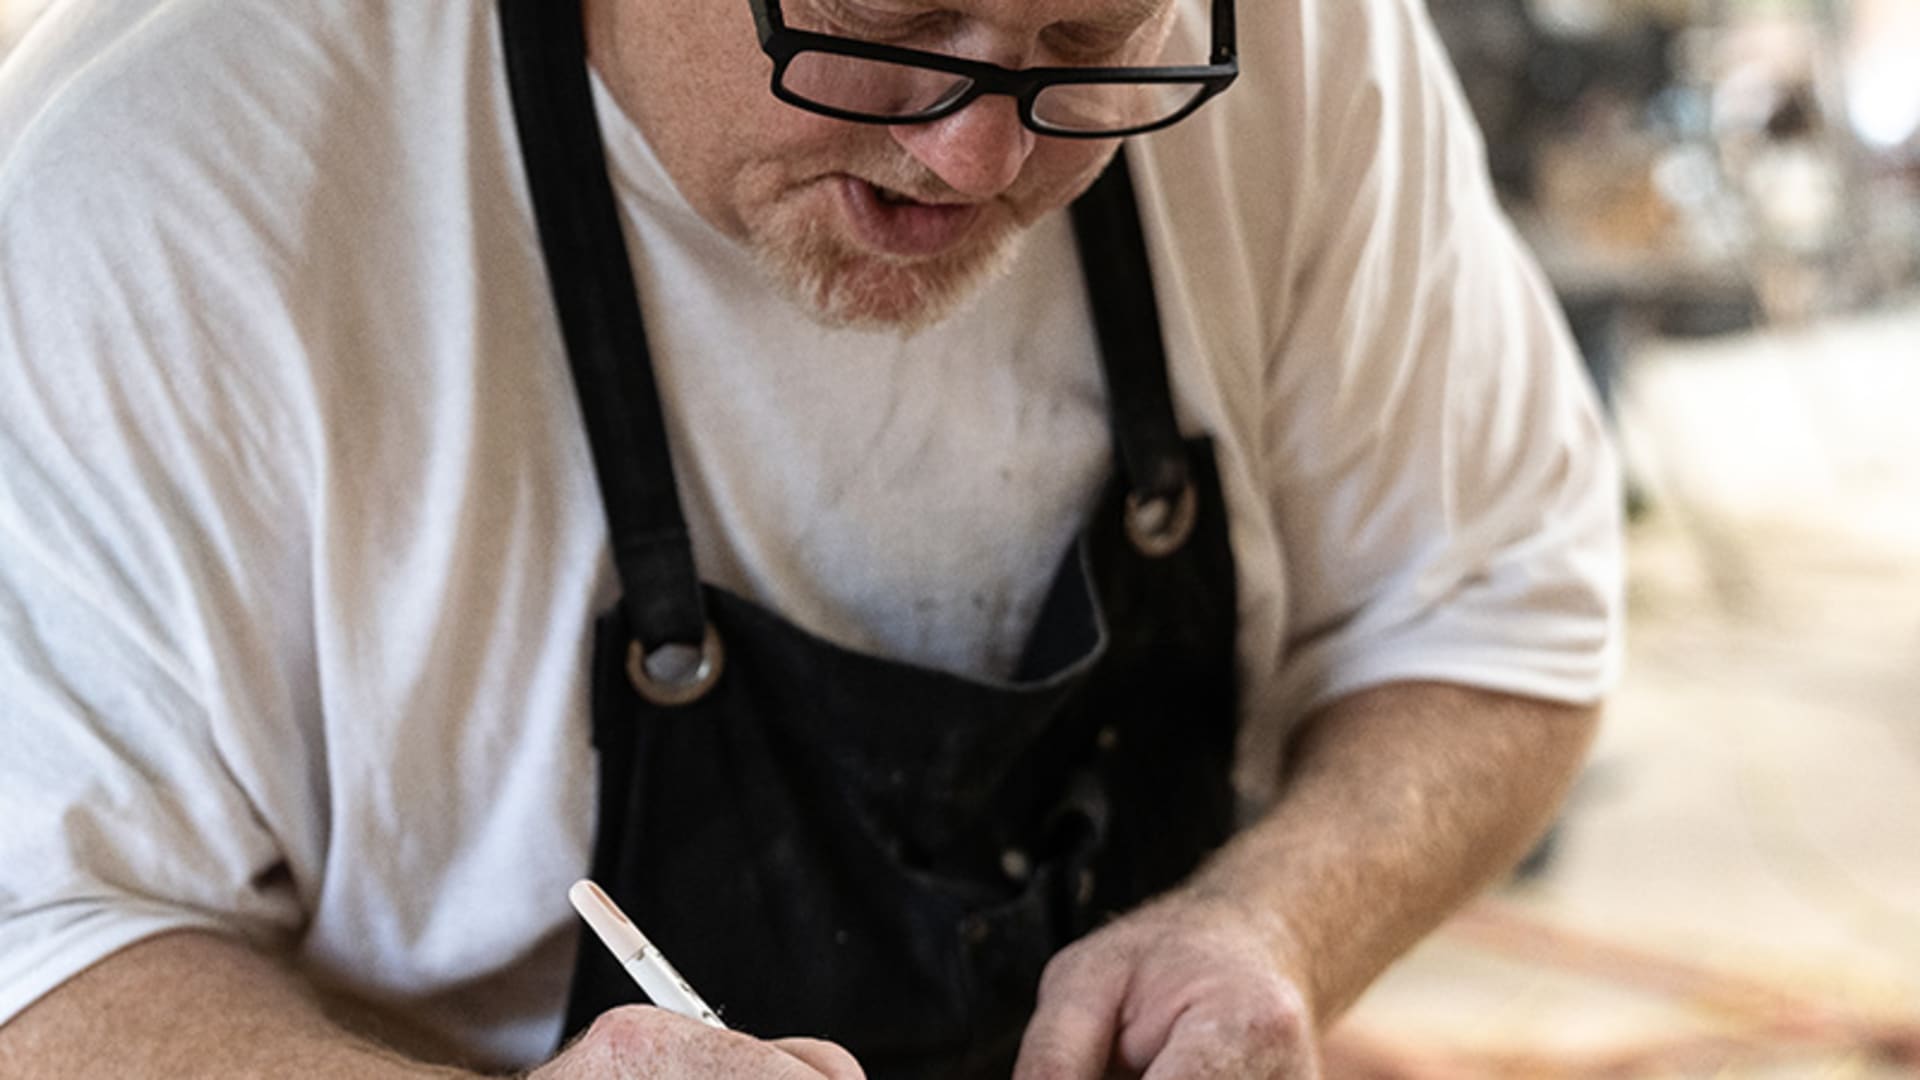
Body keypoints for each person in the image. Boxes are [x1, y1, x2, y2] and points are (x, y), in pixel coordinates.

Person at [0, 0, 1622, 1076]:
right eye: (888, 23)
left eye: (1083, 41)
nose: (975, 153)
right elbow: (46, 943)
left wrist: (1278, 920)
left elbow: (1496, 612)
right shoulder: (168, 189)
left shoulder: (1289, 42)